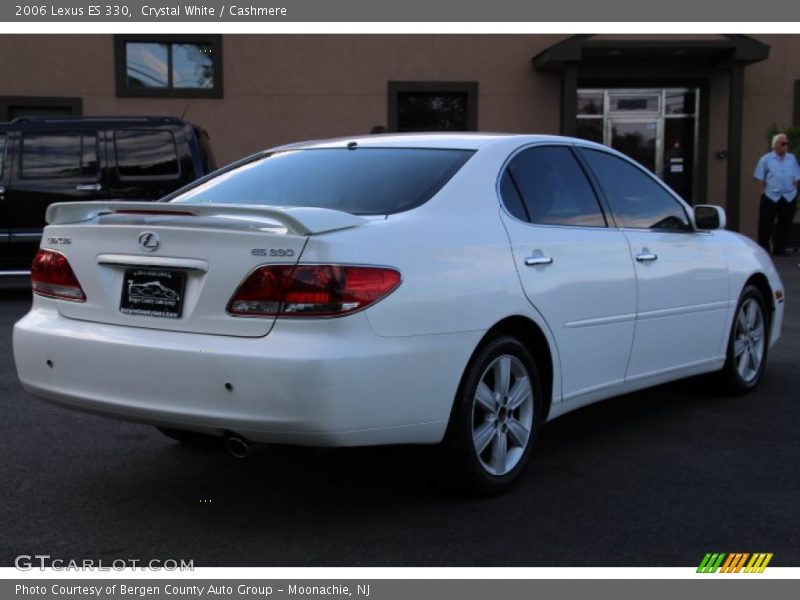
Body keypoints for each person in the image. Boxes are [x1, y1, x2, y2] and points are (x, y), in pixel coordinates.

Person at [753, 133, 800, 256]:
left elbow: (796, 176)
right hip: (771, 196)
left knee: (785, 224)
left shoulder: (792, 158)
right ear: (775, 145)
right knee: (766, 224)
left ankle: (780, 249)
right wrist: (763, 193)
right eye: (783, 143)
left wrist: (794, 190)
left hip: (789, 196)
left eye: (787, 143)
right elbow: (760, 178)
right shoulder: (766, 159)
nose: (786, 145)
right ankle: (764, 249)